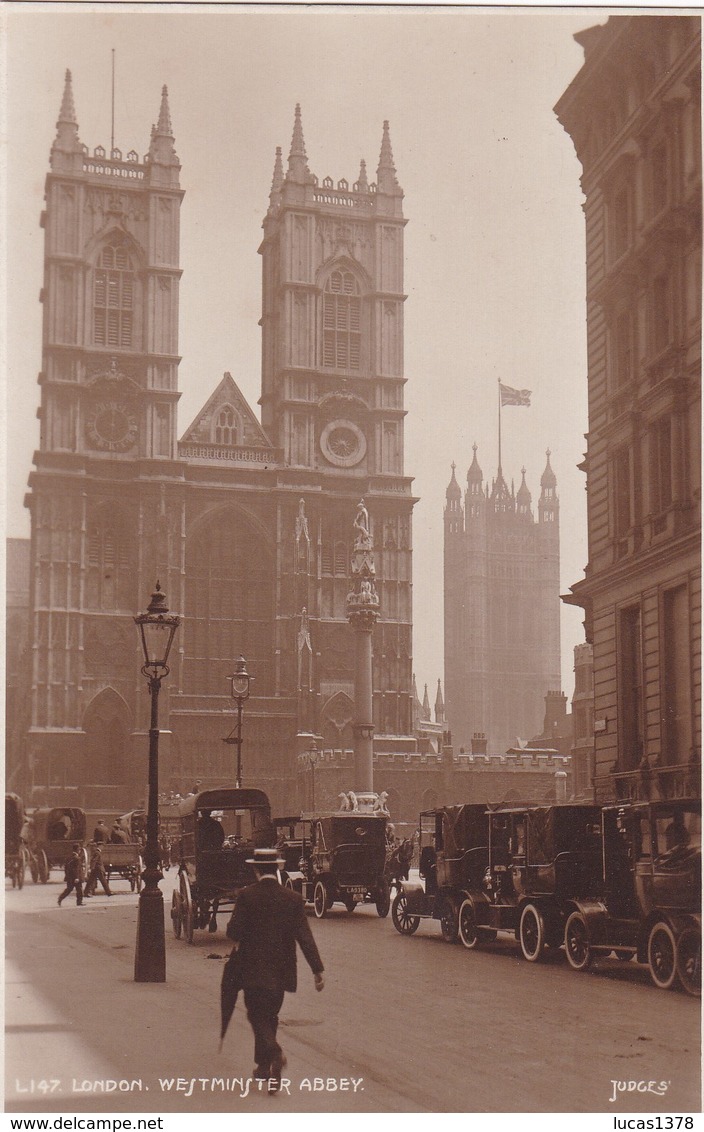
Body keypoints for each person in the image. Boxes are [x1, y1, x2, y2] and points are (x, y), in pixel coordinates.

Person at [226, 847, 324, 1093]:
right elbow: (305, 937)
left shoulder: (247, 896)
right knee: (270, 1016)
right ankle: (264, 1068)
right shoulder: (292, 899)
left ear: (256, 869)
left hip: (252, 968)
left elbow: (233, 932)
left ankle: (275, 1054)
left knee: (256, 1015)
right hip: (281, 970)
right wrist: (317, 970)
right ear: (278, 868)